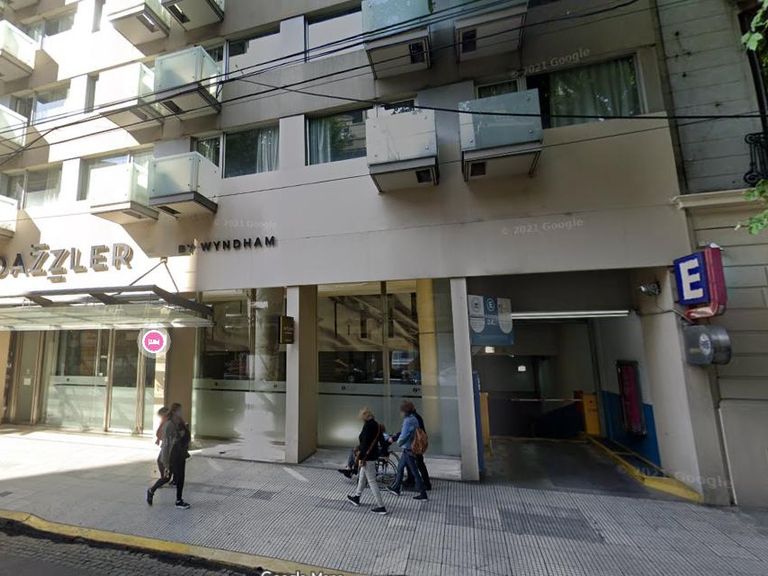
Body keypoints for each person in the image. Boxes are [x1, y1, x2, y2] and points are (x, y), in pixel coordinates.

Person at [146, 403, 191, 509]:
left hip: (180, 454)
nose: (181, 412)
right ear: (174, 412)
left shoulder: (179, 422)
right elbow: (166, 444)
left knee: (180, 477)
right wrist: (165, 460)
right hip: (172, 456)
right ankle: (151, 490)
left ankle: (179, 500)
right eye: (179, 411)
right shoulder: (169, 424)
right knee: (166, 478)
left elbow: (184, 435)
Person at [345, 407, 388, 515]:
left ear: (365, 418)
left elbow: (364, 443)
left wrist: (359, 456)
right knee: (362, 477)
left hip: (366, 457)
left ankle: (381, 506)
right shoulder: (377, 425)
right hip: (372, 456)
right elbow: (382, 441)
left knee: (372, 481)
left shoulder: (368, 426)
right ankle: (357, 497)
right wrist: (385, 453)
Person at [385, 401, 428, 501]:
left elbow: (404, 435)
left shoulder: (408, 421)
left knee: (415, 472)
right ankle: (396, 488)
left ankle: (423, 494)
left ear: (405, 411)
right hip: (409, 449)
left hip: (408, 449)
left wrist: (397, 441)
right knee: (400, 468)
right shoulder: (414, 418)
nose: (400, 413)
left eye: (401, 411)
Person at [403, 408, 431, 491]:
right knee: (413, 462)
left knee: (419, 463)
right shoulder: (416, 417)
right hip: (416, 444)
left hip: (416, 444)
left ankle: (425, 484)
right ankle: (411, 480)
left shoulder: (413, 418)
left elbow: (411, 431)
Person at [154, 406, 172, 483]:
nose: (161, 418)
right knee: (161, 461)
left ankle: (165, 478)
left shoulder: (169, 423)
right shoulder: (164, 422)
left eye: (161, 416)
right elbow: (159, 432)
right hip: (165, 444)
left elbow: (165, 434)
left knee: (164, 461)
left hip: (168, 445)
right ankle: (164, 477)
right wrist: (158, 439)